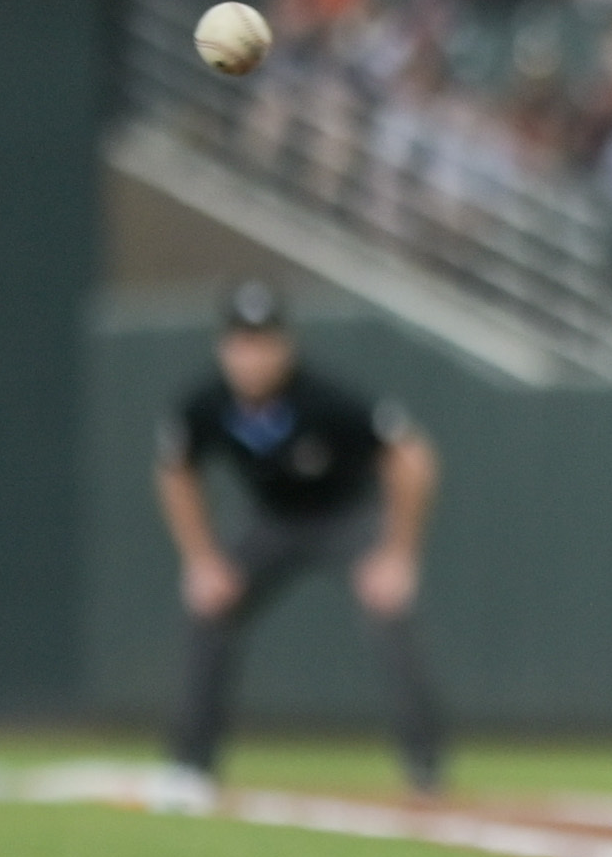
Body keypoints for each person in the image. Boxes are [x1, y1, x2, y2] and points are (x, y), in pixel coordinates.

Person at [157, 280, 448, 800]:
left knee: (388, 609)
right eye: (241, 342)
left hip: (345, 518)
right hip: (271, 523)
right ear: (224, 347)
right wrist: (201, 560)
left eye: (262, 341)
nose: (251, 356)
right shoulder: (208, 403)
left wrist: (398, 553)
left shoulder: (325, 398)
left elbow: (412, 455)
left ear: (285, 346)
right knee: (211, 606)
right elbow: (175, 470)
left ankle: (425, 767)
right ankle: (192, 765)